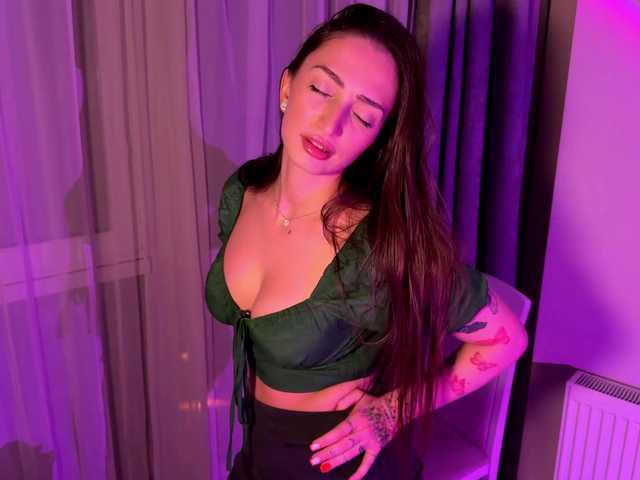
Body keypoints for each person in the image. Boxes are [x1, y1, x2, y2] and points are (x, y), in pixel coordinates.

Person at [205, 4, 528, 479]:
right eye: (321, 89)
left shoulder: (380, 246)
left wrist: (393, 409)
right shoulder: (242, 192)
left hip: (339, 464)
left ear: (378, 138)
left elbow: (505, 341)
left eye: (363, 116)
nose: (330, 123)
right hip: (258, 449)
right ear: (287, 86)